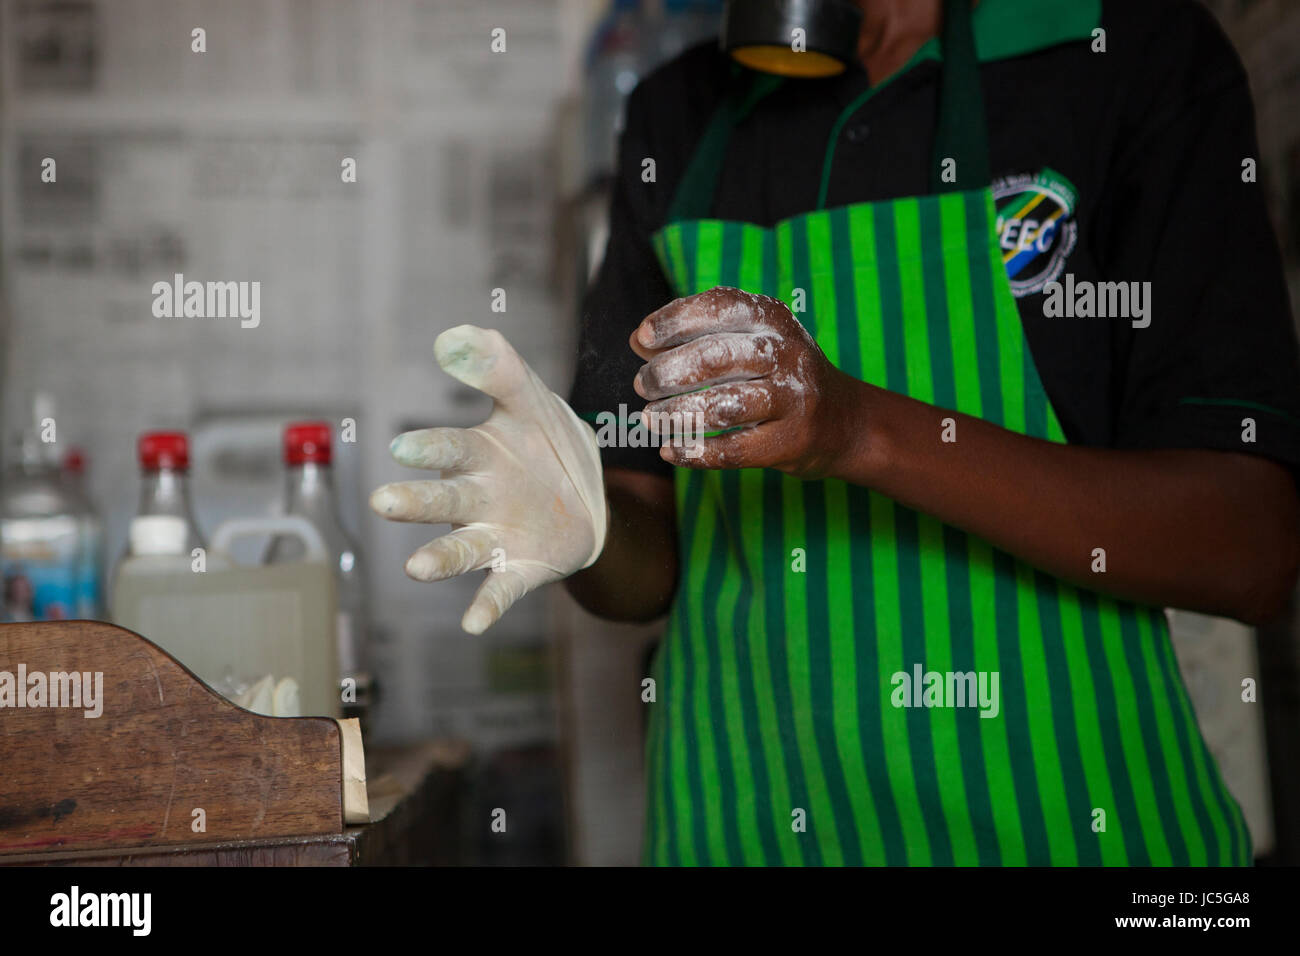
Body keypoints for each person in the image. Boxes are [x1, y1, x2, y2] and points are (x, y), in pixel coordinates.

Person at [371, 0, 1300, 865]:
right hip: (741, 824)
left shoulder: (1123, 55)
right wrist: (589, 529)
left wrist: (859, 432)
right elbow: (645, 562)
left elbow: (1251, 546)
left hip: (1065, 826)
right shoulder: (680, 112)